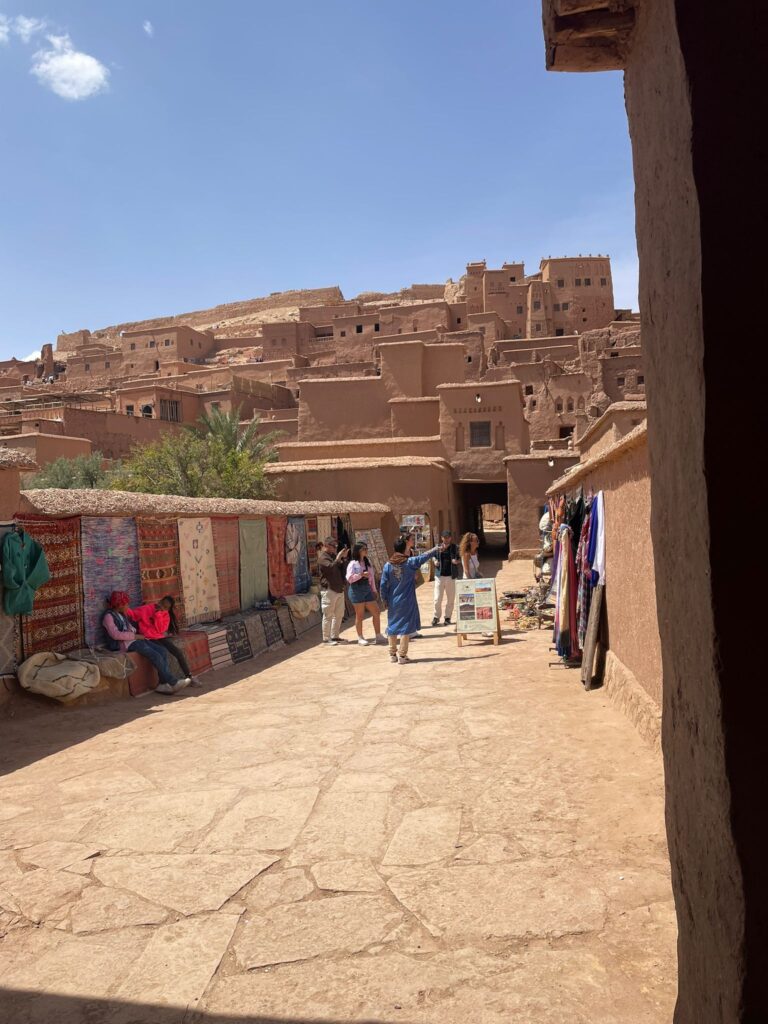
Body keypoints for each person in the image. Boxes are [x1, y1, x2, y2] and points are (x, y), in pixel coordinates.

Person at [102, 591, 190, 695]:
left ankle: (162, 684)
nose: (128, 606)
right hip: (124, 644)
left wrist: (135, 632)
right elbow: (115, 635)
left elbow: (130, 627)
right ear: (119, 605)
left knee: (162, 651)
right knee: (155, 655)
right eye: (126, 604)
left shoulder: (121, 614)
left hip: (136, 639)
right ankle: (173, 682)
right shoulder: (108, 617)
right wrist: (135, 636)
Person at [380, 537, 441, 664]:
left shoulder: (387, 565)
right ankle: (402, 655)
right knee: (405, 627)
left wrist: (384, 599)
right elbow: (424, 556)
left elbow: (383, 585)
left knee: (392, 625)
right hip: (407, 601)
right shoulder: (410, 563)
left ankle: (392, 654)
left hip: (392, 601)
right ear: (404, 549)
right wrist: (436, 549)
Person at [127, 595, 202, 687]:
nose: (162, 607)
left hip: (159, 637)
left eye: (165, 607)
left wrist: (158, 614)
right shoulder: (146, 609)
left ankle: (189, 676)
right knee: (162, 652)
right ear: (160, 601)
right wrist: (124, 607)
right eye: (162, 604)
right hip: (147, 638)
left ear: (168, 609)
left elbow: (160, 630)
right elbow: (132, 614)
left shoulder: (166, 615)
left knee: (177, 652)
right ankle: (164, 682)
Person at [345, 542, 385, 646]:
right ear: (358, 551)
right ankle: (360, 637)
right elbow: (349, 578)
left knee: (376, 612)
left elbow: (371, 578)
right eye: (364, 549)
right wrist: (361, 575)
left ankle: (378, 635)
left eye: (366, 548)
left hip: (367, 589)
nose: (366, 550)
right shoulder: (353, 563)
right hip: (356, 590)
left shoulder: (367, 562)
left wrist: (374, 590)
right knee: (360, 615)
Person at [318, 536, 348, 646]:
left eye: (336, 546)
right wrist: (338, 559)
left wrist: (343, 558)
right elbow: (331, 569)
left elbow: (343, 569)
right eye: (333, 546)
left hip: (339, 588)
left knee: (339, 614)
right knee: (328, 615)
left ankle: (335, 636)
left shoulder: (334, 556)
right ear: (326, 546)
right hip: (329, 589)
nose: (335, 548)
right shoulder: (322, 558)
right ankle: (326, 639)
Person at [432, 529, 459, 626]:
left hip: (451, 576)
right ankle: (436, 617)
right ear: (441, 538)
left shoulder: (455, 547)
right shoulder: (438, 547)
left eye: (448, 537)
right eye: (444, 537)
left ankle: (448, 617)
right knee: (437, 598)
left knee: (450, 599)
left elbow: (460, 558)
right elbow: (433, 556)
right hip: (439, 576)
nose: (446, 539)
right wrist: (435, 561)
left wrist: (456, 561)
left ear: (450, 538)